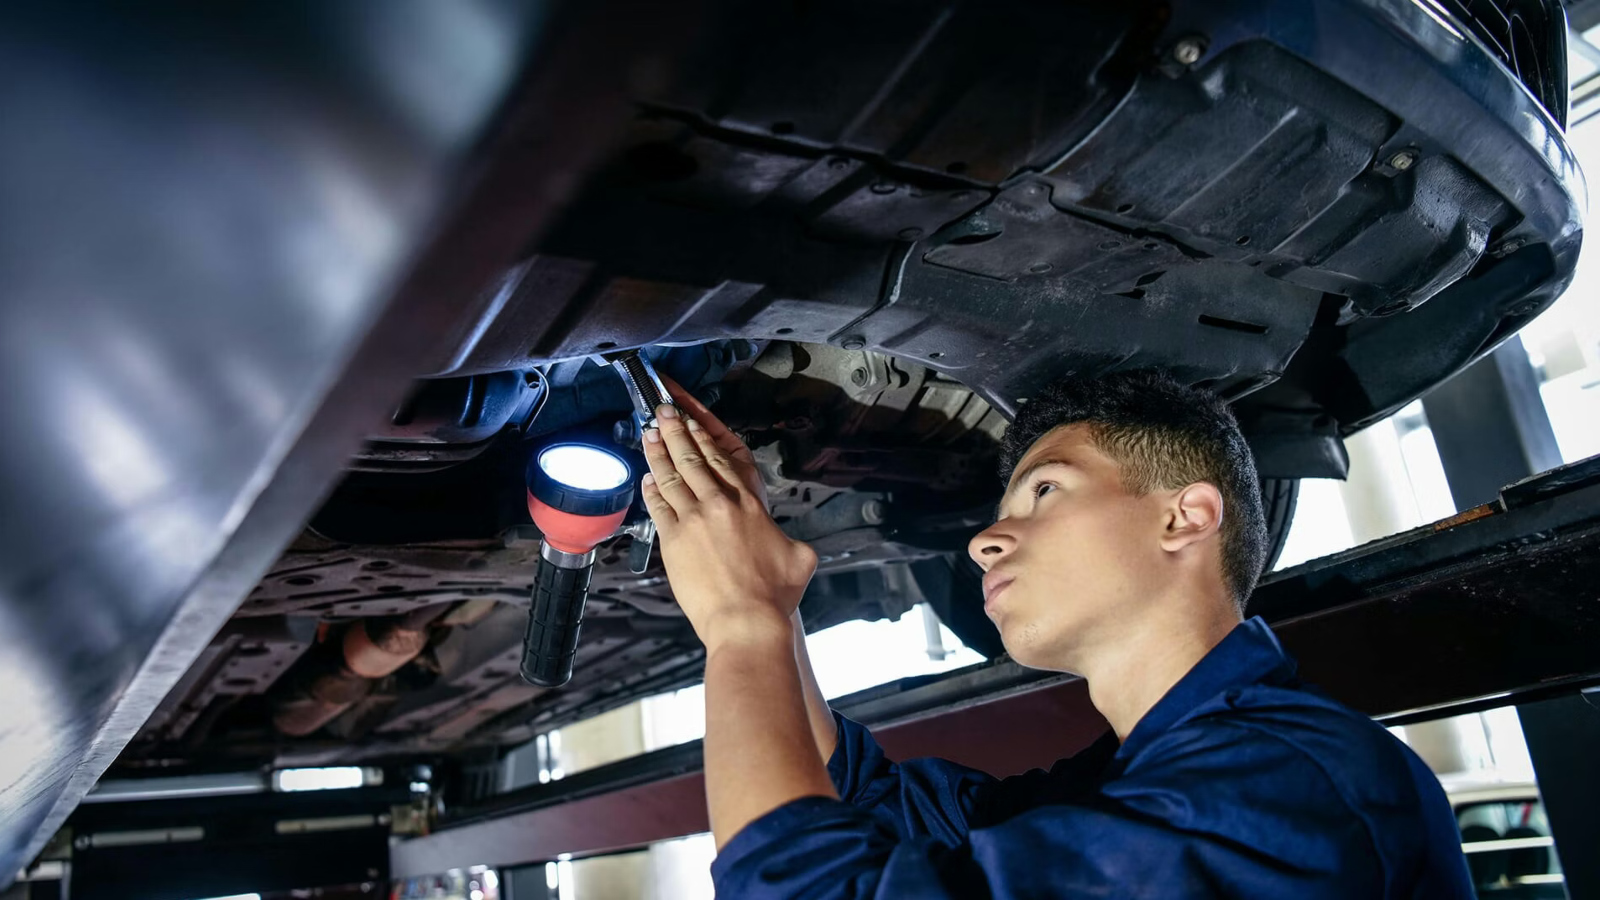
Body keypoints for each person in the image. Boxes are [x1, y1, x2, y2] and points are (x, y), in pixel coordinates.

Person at [638, 370, 1472, 898]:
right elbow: (878, 806)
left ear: (1184, 517)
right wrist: (770, 614)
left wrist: (741, 625)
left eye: (1042, 493)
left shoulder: (1293, 789)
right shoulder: (1152, 779)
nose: (983, 541)